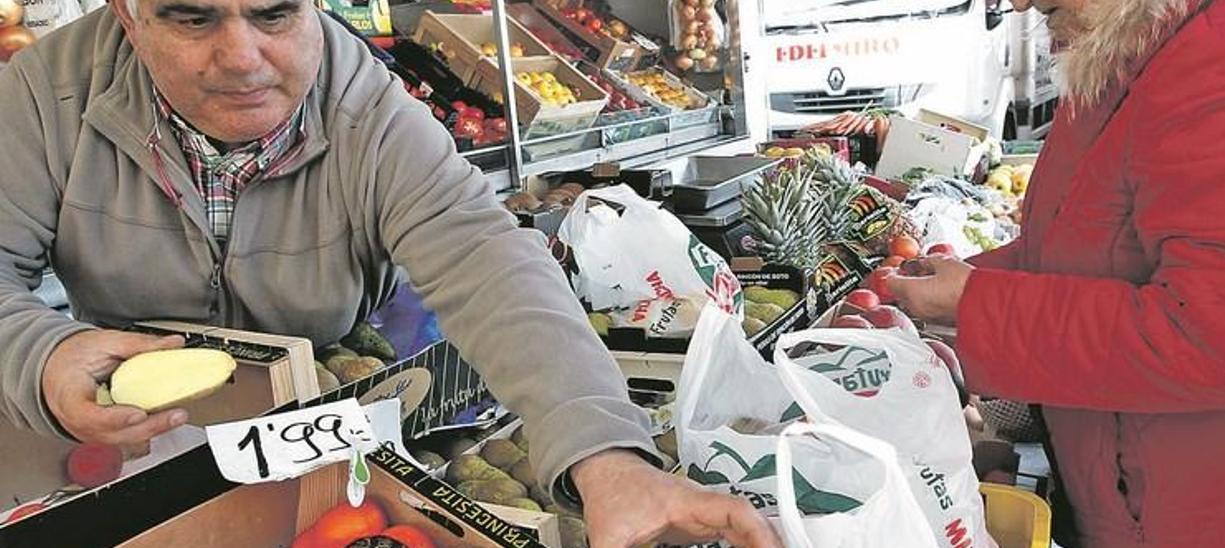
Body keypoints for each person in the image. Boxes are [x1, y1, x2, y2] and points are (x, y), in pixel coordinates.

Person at [0, 1, 781, 546]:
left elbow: (486, 260)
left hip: (328, 399)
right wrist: (41, 355)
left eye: (274, 13)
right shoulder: (44, 95)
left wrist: (604, 455)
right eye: (190, 16)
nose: (240, 57)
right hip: (129, 434)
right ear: (128, 14)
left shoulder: (368, 110)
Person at [888, 0, 1225, 546]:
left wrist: (976, 304)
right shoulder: (1130, 56)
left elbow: (1224, 337)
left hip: (1199, 514)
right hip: (1132, 493)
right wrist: (956, 284)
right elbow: (1088, 245)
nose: (1022, 5)